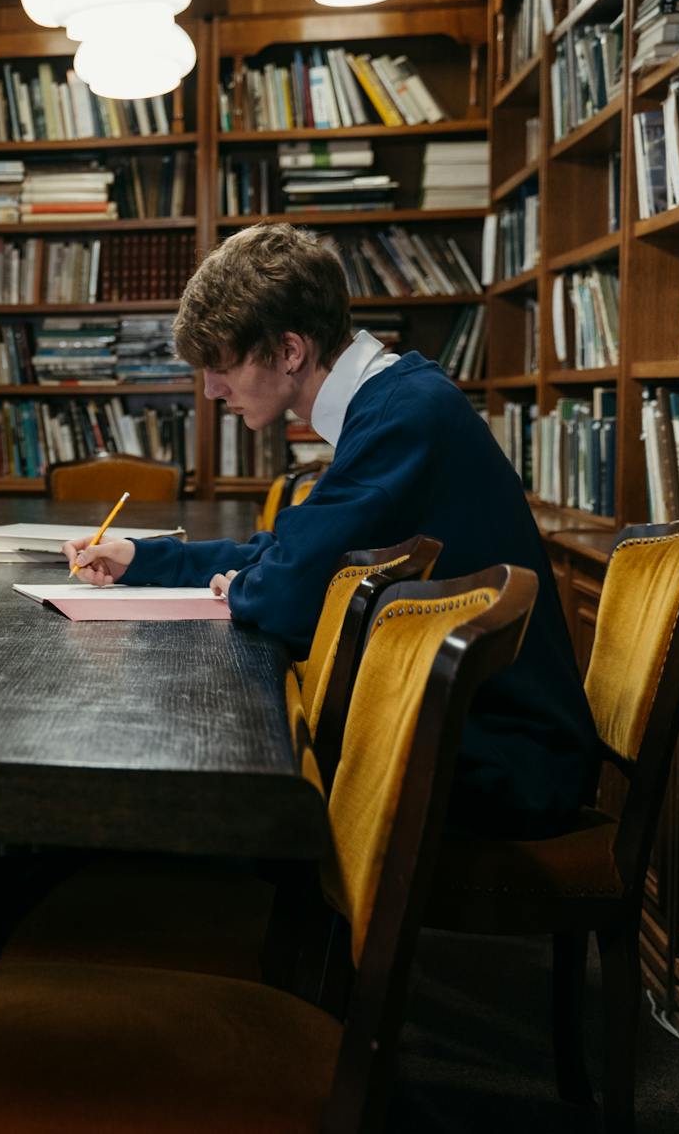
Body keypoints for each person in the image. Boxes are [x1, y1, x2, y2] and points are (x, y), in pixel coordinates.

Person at [63, 223, 596, 840]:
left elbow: (285, 594)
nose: (209, 391)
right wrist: (144, 557)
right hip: (466, 725)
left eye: (221, 365)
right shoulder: (393, 400)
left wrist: (246, 587)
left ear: (289, 351)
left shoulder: (403, 417)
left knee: (218, 772)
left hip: (506, 757)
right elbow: (290, 556)